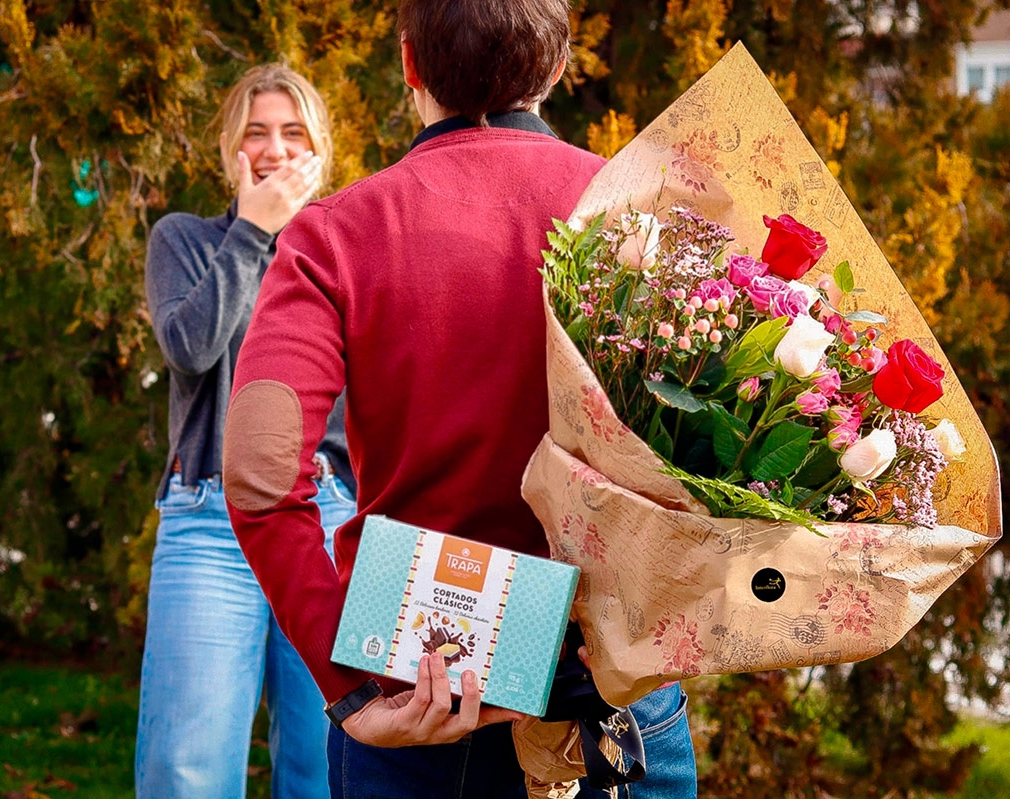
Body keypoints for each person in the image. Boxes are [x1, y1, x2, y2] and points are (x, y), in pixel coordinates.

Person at [223, 2, 696, 797]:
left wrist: (348, 681)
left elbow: (259, 478)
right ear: (557, 66)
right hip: (613, 701)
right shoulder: (641, 214)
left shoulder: (334, 233)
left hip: (422, 697)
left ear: (409, 65)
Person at [136, 63, 354, 799]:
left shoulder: (344, 253)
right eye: (257, 131)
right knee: (185, 769)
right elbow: (192, 346)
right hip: (208, 520)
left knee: (328, 763)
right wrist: (256, 229)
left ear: (320, 150)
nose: (274, 148)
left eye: (293, 132)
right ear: (232, 146)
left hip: (324, 520)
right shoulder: (185, 243)